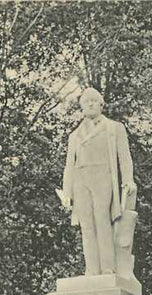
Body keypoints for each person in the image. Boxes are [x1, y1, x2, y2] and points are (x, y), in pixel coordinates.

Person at [59, 87, 137, 277]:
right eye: (86, 102)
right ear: (82, 107)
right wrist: (66, 192)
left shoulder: (114, 128)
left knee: (103, 220)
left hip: (103, 177)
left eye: (94, 101)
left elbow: (124, 157)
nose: (90, 104)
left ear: (101, 105)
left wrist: (128, 179)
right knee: (86, 225)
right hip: (81, 180)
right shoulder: (74, 136)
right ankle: (92, 269)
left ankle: (108, 267)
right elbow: (69, 165)